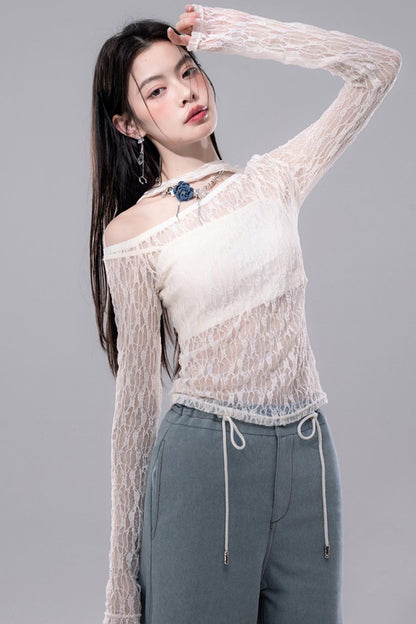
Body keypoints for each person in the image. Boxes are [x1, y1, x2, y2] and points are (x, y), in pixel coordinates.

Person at [90, 3, 402, 623]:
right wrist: (122, 581)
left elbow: (378, 68)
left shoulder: (273, 180)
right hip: (204, 462)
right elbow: (136, 405)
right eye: (157, 90)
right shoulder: (132, 234)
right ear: (128, 124)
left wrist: (238, 33)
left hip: (309, 456)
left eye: (188, 70)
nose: (186, 92)